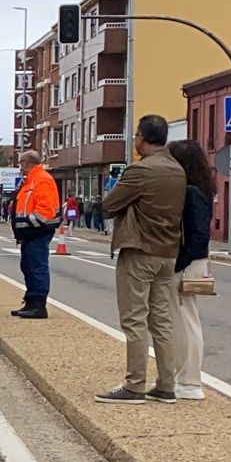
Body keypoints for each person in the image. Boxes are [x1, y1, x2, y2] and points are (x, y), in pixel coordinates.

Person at [97, 115, 186, 405]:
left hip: (139, 251)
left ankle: (135, 385)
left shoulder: (140, 171)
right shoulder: (177, 169)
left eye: (136, 136)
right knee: (162, 321)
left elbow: (110, 205)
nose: (135, 141)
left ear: (142, 138)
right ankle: (166, 384)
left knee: (134, 319)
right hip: (168, 253)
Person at [170, 139, 214, 402]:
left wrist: (178, 263)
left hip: (188, 262)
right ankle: (185, 377)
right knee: (186, 319)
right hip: (193, 261)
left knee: (184, 321)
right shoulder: (201, 189)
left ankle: (188, 380)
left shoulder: (191, 192)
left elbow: (198, 235)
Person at [9, 149, 61, 320]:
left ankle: (39, 305)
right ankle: (31, 301)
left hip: (37, 233)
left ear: (27, 163)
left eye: (20, 164)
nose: (19, 168)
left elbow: (45, 210)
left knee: (37, 268)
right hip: (30, 234)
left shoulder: (42, 180)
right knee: (28, 267)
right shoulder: (31, 181)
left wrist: (30, 226)